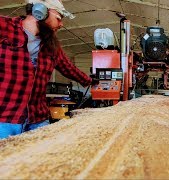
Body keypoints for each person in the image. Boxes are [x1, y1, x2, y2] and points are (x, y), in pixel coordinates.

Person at [0, 0, 97, 139]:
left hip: (38, 119)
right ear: (41, 12)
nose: (61, 24)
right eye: (58, 18)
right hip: (5, 119)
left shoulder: (51, 45)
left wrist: (91, 81)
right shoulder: (5, 27)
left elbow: (68, 68)